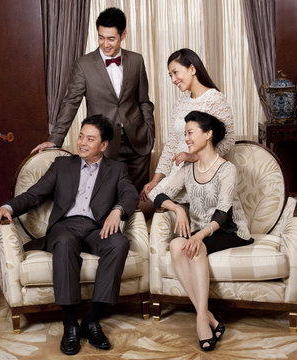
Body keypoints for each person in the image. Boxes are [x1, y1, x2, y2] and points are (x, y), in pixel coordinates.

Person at [0, 114, 139, 356]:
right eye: (81, 136)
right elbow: (34, 194)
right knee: (63, 241)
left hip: (96, 228)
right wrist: (6, 207)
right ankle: (70, 323)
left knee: (118, 243)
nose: (82, 142)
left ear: (103, 145)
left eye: (90, 139)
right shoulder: (62, 165)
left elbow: (130, 195)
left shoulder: (117, 170)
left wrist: (118, 209)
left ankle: (92, 319)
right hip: (66, 226)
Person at [153, 110, 253, 351]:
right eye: (185, 133)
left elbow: (223, 213)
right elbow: (158, 194)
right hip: (202, 230)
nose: (186, 138)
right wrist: (177, 209)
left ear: (208, 134)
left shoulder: (227, 169)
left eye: (190, 133)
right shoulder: (188, 168)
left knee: (195, 249)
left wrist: (199, 235)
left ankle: (201, 321)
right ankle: (208, 314)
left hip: (229, 230)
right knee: (176, 245)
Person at [31, 7, 154, 191]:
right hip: (103, 144)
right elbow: (71, 103)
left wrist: (149, 129)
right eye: (101, 37)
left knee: (138, 201)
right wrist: (55, 139)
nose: (105, 44)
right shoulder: (84, 65)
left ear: (123, 35)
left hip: (138, 142)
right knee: (106, 199)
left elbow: (143, 100)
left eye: (111, 38)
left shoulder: (136, 60)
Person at [141, 48, 235, 202]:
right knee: (140, 204)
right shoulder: (180, 103)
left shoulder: (214, 99)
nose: (173, 79)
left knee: (147, 207)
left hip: (203, 173)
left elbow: (229, 141)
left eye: (176, 72)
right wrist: (155, 180)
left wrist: (195, 157)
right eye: (170, 75)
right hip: (177, 173)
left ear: (192, 69)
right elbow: (172, 144)